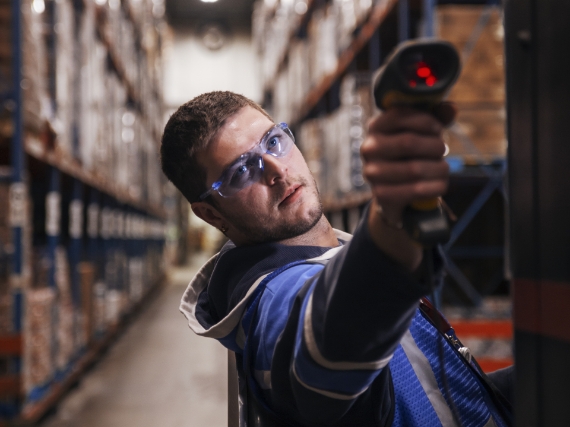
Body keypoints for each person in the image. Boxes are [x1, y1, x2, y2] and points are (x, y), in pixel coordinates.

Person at [160, 91, 513, 427]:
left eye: (273, 142)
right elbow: (319, 347)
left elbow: (434, 393)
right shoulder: (272, 301)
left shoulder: (333, 256)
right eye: (241, 171)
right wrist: (387, 237)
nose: (276, 171)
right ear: (212, 215)